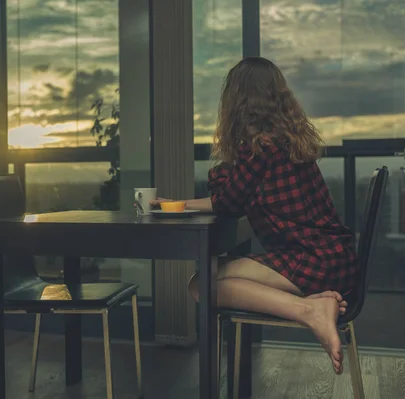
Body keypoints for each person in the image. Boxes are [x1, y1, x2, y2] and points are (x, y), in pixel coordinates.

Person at [152, 57, 357, 375]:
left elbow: (227, 203)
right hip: (331, 260)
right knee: (215, 279)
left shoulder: (260, 149)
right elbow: (227, 198)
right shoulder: (284, 142)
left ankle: (310, 309)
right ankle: (315, 304)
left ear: (237, 102)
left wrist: (198, 193)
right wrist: (179, 204)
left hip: (311, 261)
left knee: (200, 284)